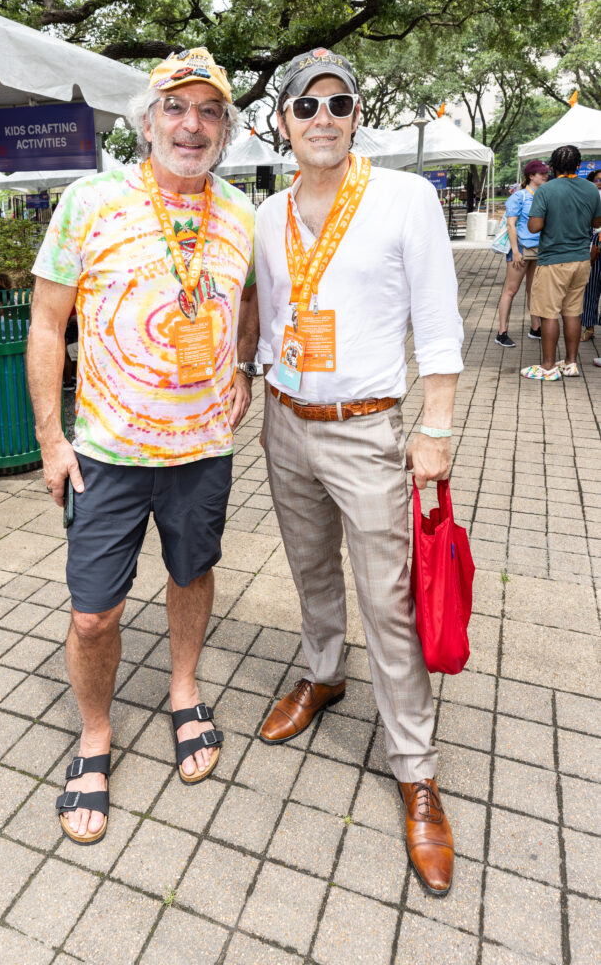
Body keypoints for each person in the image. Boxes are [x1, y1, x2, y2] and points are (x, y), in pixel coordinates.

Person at [27, 47, 258, 845]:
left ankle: (183, 690)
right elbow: (46, 325)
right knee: (94, 616)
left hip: (203, 447)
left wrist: (243, 371)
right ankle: (95, 737)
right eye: (175, 107)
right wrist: (50, 439)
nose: (190, 125)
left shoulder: (240, 212)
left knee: (192, 574)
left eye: (208, 113)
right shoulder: (87, 200)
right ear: (147, 119)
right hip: (105, 455)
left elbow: (250, 299)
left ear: (224, 131)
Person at [254, 48, 464, 897]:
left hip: (368, 430)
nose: (323, 119)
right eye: (305, 107)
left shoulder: (404, 197)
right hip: (282, 423)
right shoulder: (264, 213)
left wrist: (437, 426)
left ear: (355, 116)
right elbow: (261, 314)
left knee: (388, 599)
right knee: (309, 575)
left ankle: (415, 770)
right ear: (280, 122)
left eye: (338, 104)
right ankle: (324, 676)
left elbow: (439, 320)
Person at [522, 145, 601, 380]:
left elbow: (534, 226)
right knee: (572, 312)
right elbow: (597, 221)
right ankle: (570, 363)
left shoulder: (546, 190)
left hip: (554, 260)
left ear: (553, 166)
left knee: (548, 314)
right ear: (579, 165)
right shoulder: (591, 189)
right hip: (581, 259)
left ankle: (547, 367)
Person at [494, 160, 549, 347]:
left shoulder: (544, 195)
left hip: (539, 249)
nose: (545, 175)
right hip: (521, 249)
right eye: (540, 173)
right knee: (511, 289)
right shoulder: (519, 197)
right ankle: (501, 332)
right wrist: (515, 251)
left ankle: (535, 328)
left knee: (534, 289)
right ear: (531, 176)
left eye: (545, 172)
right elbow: (511, 224)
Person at [580, 168, 601, 342]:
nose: (600, 183)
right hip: (591, 250)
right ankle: (589, 328)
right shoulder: (588, 201)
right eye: (597, 180)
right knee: (590, 291)